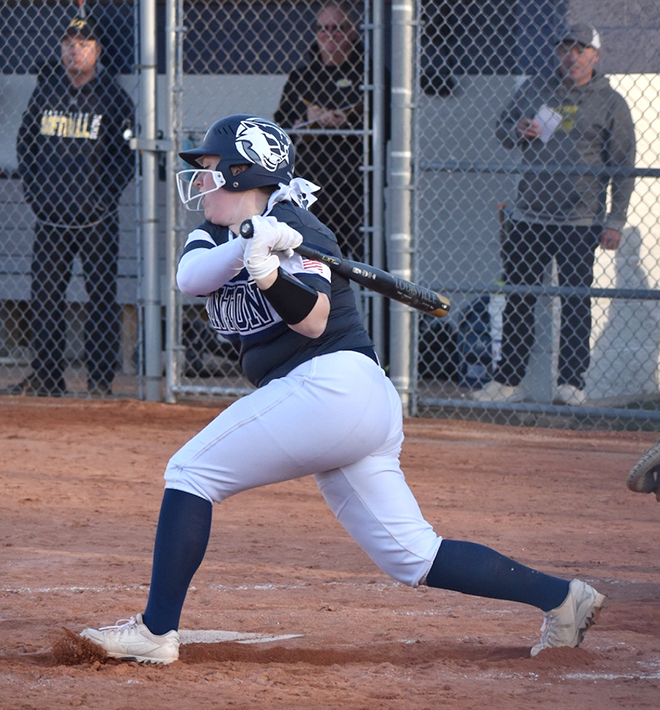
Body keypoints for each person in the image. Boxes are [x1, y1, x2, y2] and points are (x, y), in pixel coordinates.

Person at [79, 113, 605, 665]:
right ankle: (562, 598)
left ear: (242, 173)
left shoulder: (304, 229)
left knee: (190, 473)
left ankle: (156, 632)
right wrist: (246, 248)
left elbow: (312, 320)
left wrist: (271, 272)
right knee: (413, 557)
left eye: (210, 170)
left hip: (335, 386)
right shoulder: (214, 232)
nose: (201, 182)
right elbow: (191, 279)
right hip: (334, 402)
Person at [472, 23, 636, 407]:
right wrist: (518, 129)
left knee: (576, 300)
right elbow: (501, 129)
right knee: (519, 297)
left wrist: (615, 220)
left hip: (580, 220)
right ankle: (508, 381)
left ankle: (571, 384)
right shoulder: (534, 88)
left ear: (595, 55)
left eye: (580, 50)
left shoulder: (610, 102)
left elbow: (623, 165)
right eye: (565, 48)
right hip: (530, 214)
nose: (571, 56)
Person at [8, 13, 134, 397]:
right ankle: (47, 378)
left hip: (95, 218)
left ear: (97, 50)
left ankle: (99, 380)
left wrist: (102, 199)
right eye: (67, 43)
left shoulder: (113, 97)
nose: (73, 50)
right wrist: (36, 195)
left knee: (100, 294)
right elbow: (26, 144)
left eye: (82, 44)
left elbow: (124, 158)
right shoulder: (46, 92)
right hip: (52, 215)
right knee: (45, 294)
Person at [274, 2, 365, 259]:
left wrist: (345, 121)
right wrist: (306, 117)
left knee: (365, 263)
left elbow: (386, 125)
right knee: (312, 260)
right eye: (322, 28)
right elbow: (281, 128)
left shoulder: (368, 75)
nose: (329, 35)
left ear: (352, 32)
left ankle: (373, 302)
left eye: (338, 28)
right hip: (310, 184)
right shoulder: (302, 77)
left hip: (357, 184)